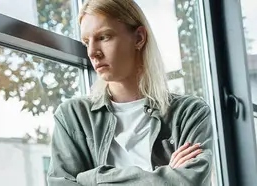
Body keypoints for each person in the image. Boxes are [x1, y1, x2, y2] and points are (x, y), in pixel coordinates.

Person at [46, 0, 213, 185]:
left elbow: (191, 181)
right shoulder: (72, 116)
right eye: (87, 42)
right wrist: (169, 176)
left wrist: (91, 179)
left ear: (139, 38)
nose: (92, 52)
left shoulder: (190, 113)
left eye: (104, 37)